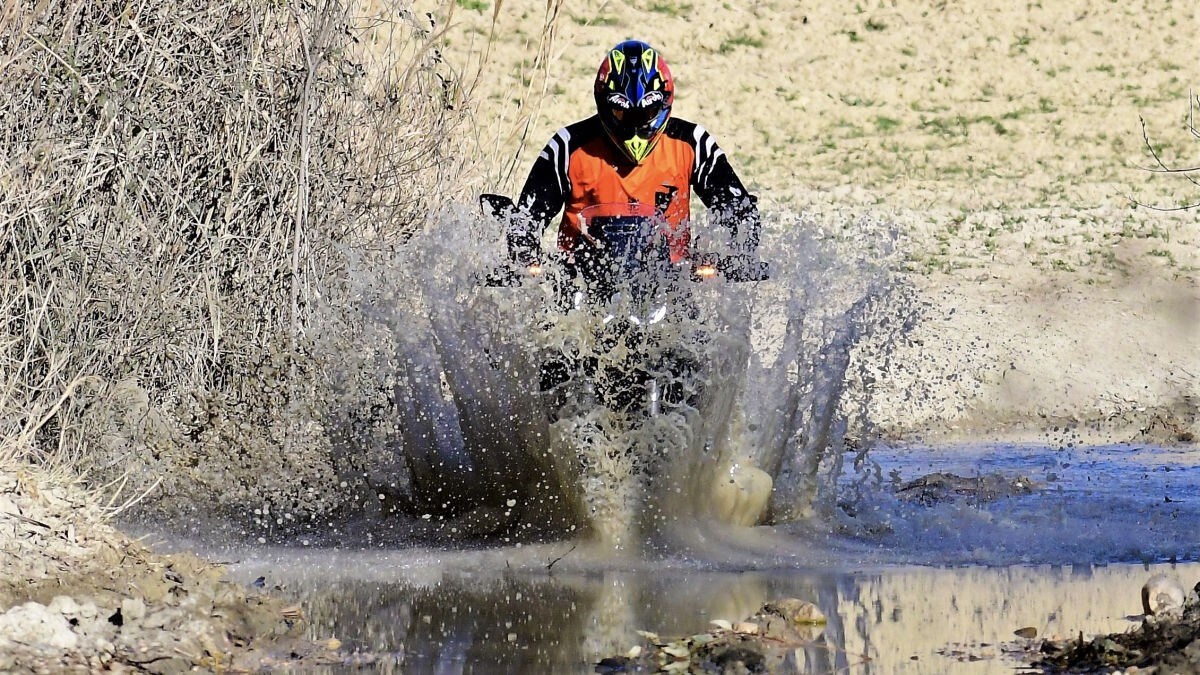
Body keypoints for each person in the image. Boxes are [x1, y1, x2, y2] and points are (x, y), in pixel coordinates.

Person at [505, 39, 762, 277]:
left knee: (711, 325)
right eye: (622, 113)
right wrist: (524, 253)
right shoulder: (567, 147)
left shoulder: (693, 142)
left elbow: (737, 206)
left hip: (671, 284)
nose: (636, 126)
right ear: (604, 103)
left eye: (647, 113)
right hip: (581, 282)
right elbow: (527, 217)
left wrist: (741, 246)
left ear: (664, 103)